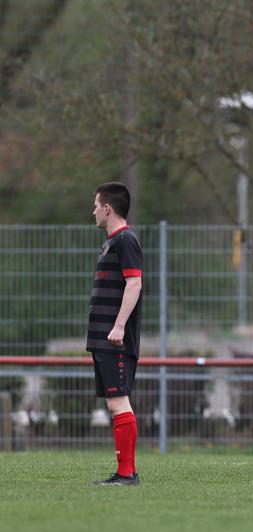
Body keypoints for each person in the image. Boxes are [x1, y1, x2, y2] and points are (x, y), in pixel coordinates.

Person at [89, 182, 143, 486]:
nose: (93, 210)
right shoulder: (111, 242)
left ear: (108, 208)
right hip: (104, 337)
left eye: (96, 205)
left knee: (118, 402)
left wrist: (119, 325)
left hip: (115, 339)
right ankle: (127, 471)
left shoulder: (126, 240)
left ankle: (126, 474)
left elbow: (134, 284)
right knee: (115, 403)